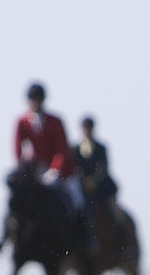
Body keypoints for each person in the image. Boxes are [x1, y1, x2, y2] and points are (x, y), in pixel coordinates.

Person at [13, 81, 92, 250]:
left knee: (78, 199)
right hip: (35, 172)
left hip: (61, 173)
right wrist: (22, 171)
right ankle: (5, 237)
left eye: (38, 99)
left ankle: (86, 238)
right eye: (32, 99)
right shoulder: (22, 122)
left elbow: (61, 150)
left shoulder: (55, 121)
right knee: (15, 199)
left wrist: (54, 171)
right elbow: (17, 148)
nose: (35, 103)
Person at [72, 115, 117, 208]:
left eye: (89, 128)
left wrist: (93, 181)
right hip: (82, 185)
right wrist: (81, 180)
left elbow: (103, 168)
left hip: (102, 186)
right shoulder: (75, 149)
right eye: (85, 128)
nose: (87, 131)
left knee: (113, 209)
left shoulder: (100, 148)